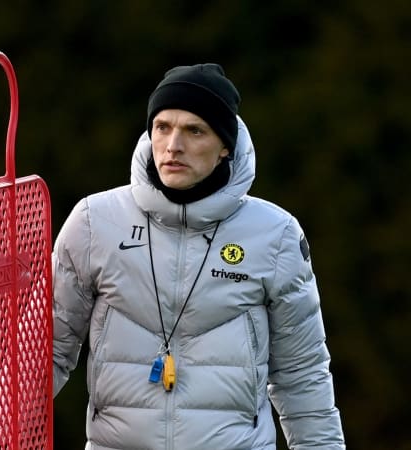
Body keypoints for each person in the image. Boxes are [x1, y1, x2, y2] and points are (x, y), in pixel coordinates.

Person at [51, 64, 345, 449]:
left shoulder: (276, 234)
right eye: (162, 126)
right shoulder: (94, 222)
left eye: (195, 130)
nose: (173, 145)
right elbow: (47, 351)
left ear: (225, 145)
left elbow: (301, 374)